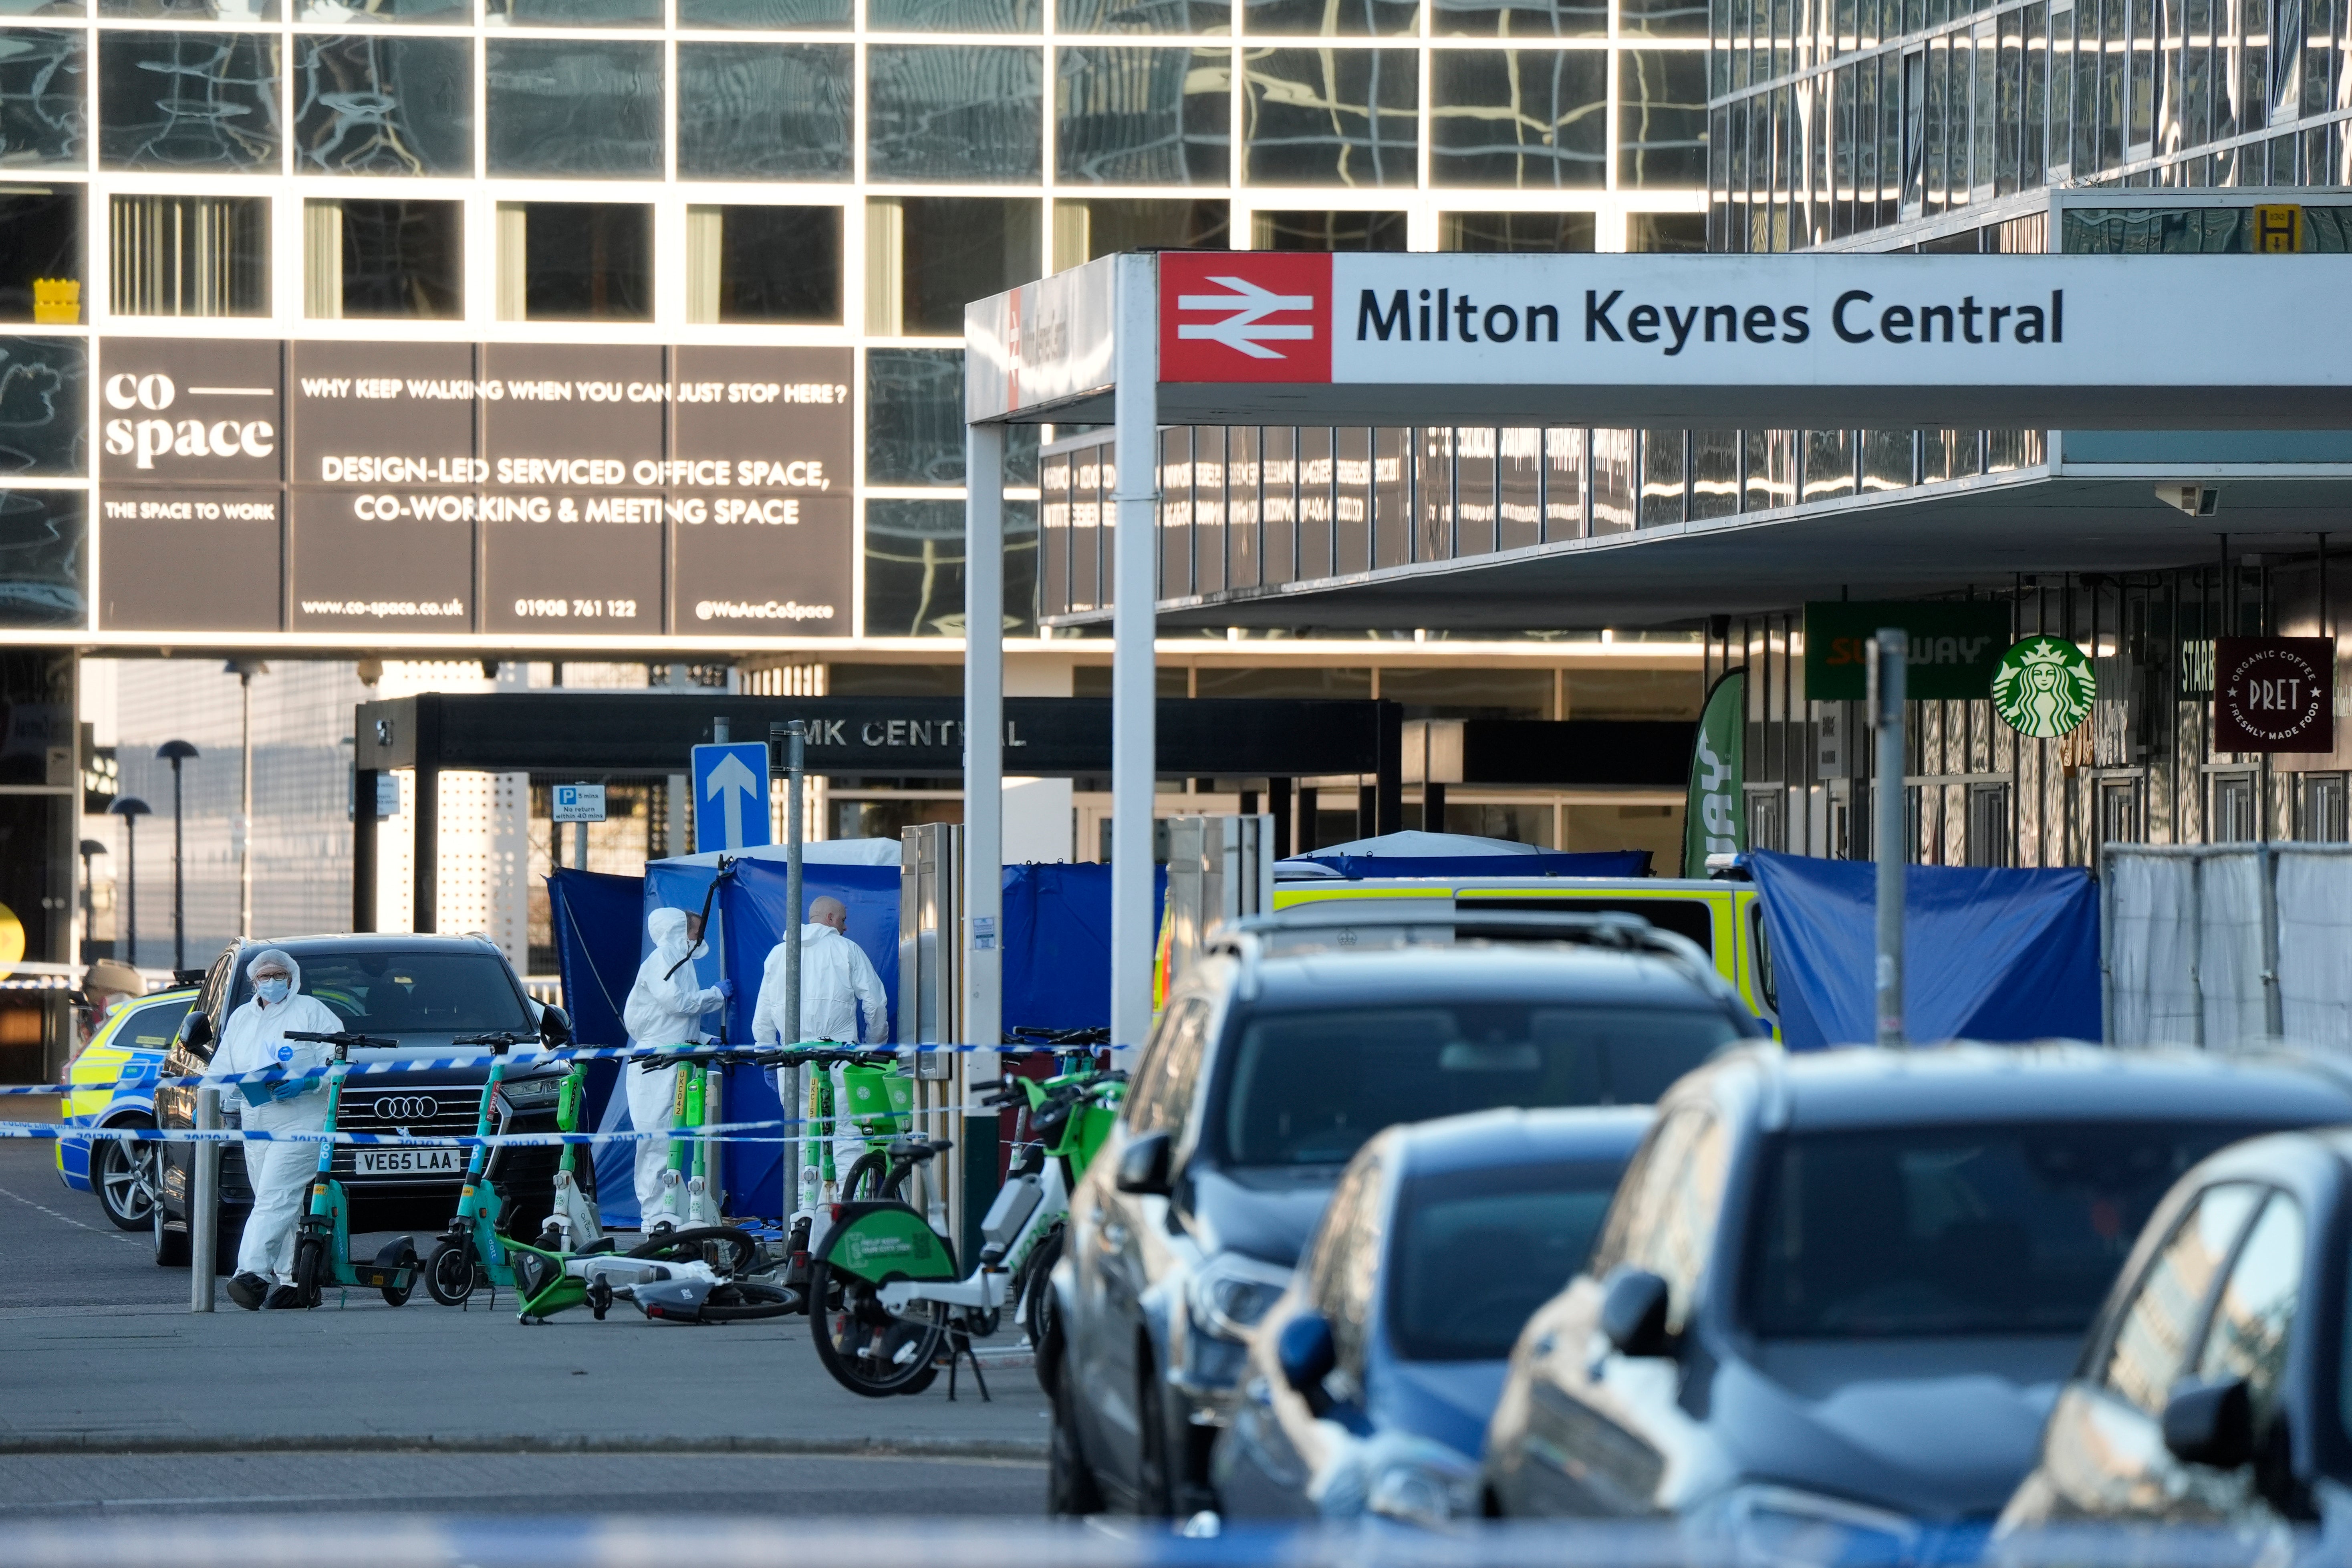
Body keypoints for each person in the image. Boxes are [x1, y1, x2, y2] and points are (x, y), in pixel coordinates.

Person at [221, 949, 344, 1311]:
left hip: (302, 1120)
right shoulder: (242, 1018)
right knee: (278, 1203)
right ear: (253, 981)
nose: (272, 983)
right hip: (256, 1119)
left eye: (279, 976)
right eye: (265, 977)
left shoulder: (312, 1012)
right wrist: (216, 1097)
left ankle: (251, 1276)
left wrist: (309, 1084)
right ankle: (295, 1283)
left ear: (293, 978)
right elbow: (222, 1068)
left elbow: (341, 1059)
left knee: (274, 1198)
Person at [751, 896, 888, 1208]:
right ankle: (843, 1213)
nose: (845, 926)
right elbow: (876, 1003)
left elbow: (763, 1011)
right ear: (829, 918)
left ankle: (805, 1215)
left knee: (802, 1137)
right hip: (839, 1059)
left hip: (792, 1058)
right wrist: (870, 1048)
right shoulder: (846, 950)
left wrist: (766, 1053)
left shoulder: (778, 954)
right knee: (844, 1134)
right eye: (842, 920)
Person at [621, 906, 732, 1234]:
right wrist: (716, 996)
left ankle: (671, 1209)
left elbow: (674, 1021)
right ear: (677, 931)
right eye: (695, 931)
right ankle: (653, 1216)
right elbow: (677, 1004)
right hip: (656, 1063)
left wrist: (706, 1039)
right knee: (654, 1137)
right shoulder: (663, 960)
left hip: (675, 1057)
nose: (699, 938)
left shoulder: (679, 963)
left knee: (673, 1138)